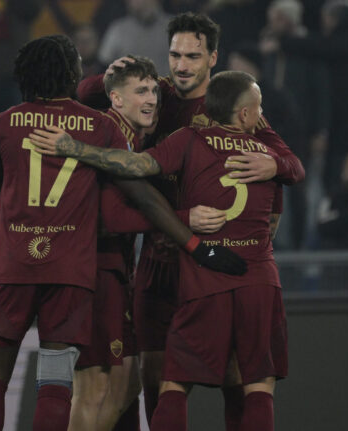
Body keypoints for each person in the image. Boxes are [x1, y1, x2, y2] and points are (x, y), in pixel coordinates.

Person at [0, 34, 245, 431]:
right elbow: (143, 200)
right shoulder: (99, 128)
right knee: (57, 385)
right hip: (71, 271)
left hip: (13, 264)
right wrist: (195, 243)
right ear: (71, 73)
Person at [77, 13, 304, 425]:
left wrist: (275, 166)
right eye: (175, 55)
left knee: (231, 375)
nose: (181, 65)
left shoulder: (229, 107)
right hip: (160, 257)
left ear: (213, 58)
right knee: (154, 373)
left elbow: (291, 164)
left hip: (208, 261)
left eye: (193, 56)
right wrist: (103, 78)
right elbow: (86, 94)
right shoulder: (153, 93)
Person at [30, 69, 288, 431]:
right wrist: (186, 220)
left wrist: (73, 146)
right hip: (110, 272)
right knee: (252, 381)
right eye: (141, 91)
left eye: (154, 90)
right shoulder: (268, 157)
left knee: (151, 383)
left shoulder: (184, 140)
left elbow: (136, 177)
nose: (152, 98)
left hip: (184, 278)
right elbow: (279, 207)